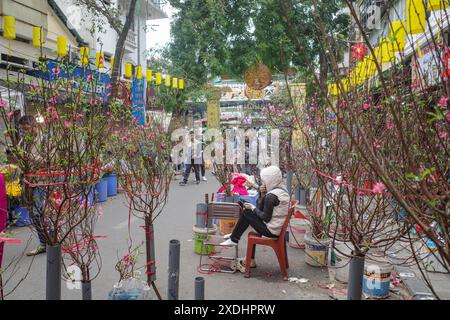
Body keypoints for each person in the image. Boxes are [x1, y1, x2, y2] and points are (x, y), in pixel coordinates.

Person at [220, 166, 290, 266]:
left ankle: (234, 239)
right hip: (276, 228)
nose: (264, 183)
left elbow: (265, 217)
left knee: (247, 213)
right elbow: (262, 209)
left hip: (271, 231)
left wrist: (252, 208)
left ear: (270, 180)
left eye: (265, 181)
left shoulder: (272, 196)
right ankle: (233, 237)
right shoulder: (282, 190)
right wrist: (262, 194)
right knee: (248, 212)